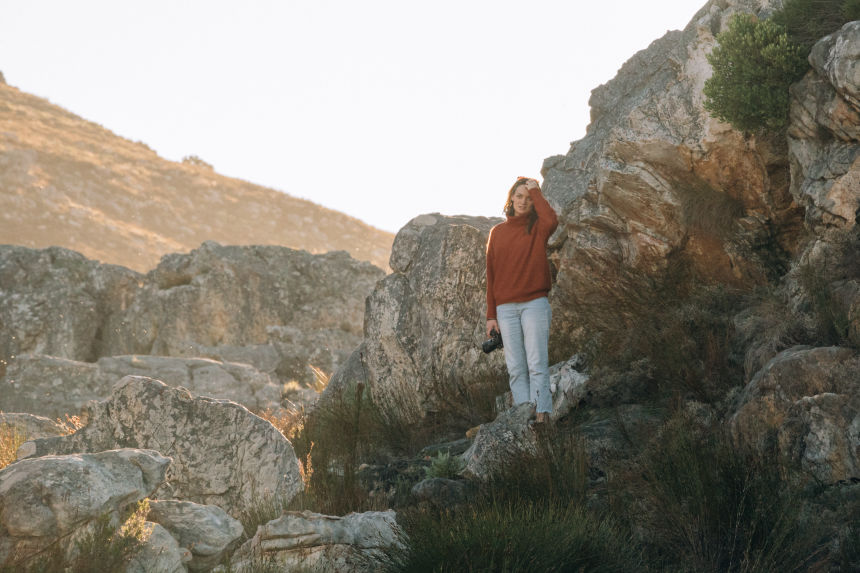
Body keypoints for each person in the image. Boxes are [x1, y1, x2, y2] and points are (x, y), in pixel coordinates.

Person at [485, 176, 558, 424]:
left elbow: (552, 219)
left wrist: (535, 190)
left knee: (537, 363)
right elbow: (491, 275)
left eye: (528, 198)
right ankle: (524, 421)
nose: (523, 201)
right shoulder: (497, 233)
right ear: (511, 199)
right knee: (516, 369)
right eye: (519, 196)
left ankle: (542, 418)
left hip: (534, 304)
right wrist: (491, 315)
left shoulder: (539, 228)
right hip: (505, 309)